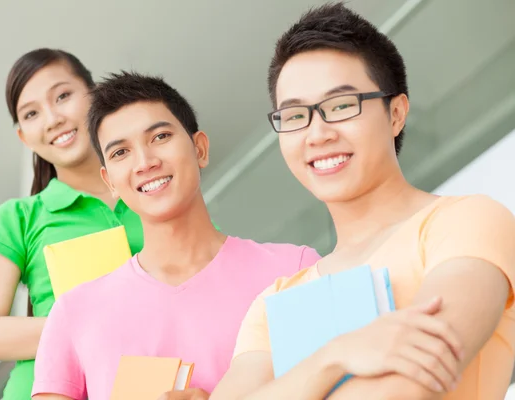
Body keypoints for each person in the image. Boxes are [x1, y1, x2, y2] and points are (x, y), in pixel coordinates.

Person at [211, 3, 515, 400]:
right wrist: (334, 357)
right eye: (295, 115)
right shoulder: (273, 304)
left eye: (340, 106)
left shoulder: (466, 223)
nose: (317, 134)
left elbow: (409, 384)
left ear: (396, 113)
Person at [30, 72, 321, 400]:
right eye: (120, 153)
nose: (145, 162)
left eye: (159, 137)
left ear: (200, 149)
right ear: (109, 181)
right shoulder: (74, 313)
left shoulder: (295, 272)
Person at [0, 48, 145, 400]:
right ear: (23, 137)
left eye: (62, 96)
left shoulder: (149, 190)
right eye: (31, 113)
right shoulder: (18, 217)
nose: (52, 119)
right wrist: (94, 325)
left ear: (94, 95)